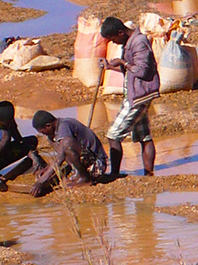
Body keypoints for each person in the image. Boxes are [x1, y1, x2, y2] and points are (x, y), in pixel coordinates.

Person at [101, 17, 159, 179]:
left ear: (120, 32)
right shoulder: (128, 42)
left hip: (139, 95)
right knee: (144, 136)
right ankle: (149, 174)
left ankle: (114, 174)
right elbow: (131, 70)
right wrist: (110, 66)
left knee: (113, 135)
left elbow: (141, 71)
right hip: (136, 93)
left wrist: (122, 62)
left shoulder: (139, 42)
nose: (114, 43)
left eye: (113, 39)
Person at [31, 110, 104, 193]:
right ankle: (78, 174)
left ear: (48, 126)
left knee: (66, 143)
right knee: (59, 144)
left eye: (43, 132)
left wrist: (41, 181)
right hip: (87, 162)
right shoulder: (56, 132)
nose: (43, 135)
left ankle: (84, 178)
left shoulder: (64, 126)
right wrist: (47, 169)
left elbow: (60, 157)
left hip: (97, 165)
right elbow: (60, 155)